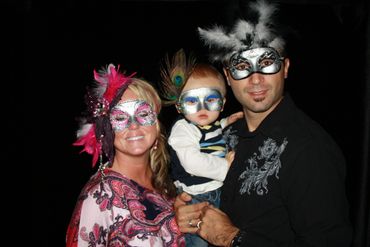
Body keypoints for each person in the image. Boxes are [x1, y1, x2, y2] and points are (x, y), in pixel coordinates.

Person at [173, 1, 353, 246]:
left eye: (267, 63)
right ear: (227, 76)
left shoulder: (309, 149)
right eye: (241, 66)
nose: (255, 79)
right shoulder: (226, 132)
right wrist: (186, 211)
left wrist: (231, 237)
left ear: (285, 68)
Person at [66, 64, 185, 247]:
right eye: (120, 118)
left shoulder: (166, 183)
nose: (133, 125)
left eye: (143, 113)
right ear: (106, 128)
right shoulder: (99, 197)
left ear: (156, 125)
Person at [159, 49, 243, 246]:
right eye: (191, 101)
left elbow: (210, 131)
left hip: (218, 190)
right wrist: (226, 167)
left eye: (211, 100)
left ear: (222, 103)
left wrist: (225, 123)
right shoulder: (182, 128)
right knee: (198, 242)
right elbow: (192, 162)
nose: (202, 108)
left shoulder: (205, 122)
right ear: (179, 107)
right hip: (197, 196)